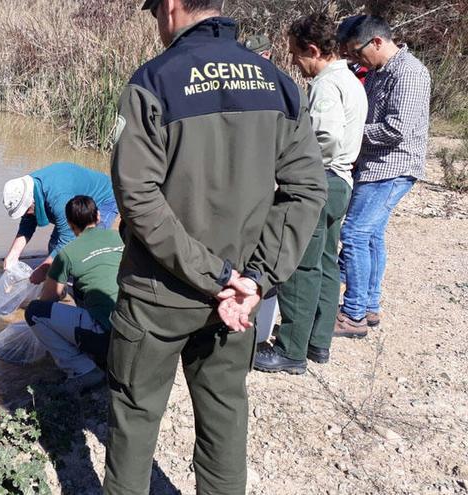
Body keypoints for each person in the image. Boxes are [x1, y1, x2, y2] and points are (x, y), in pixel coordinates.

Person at [105, 0, 327, 493]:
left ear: (172, 6)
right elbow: (308, 188)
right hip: (239, 300)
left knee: (135, 418)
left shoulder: (154, 81)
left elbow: (136, 194)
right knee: (225, 415)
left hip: (157, 296)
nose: (156, 21)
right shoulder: (277, 82)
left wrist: (218, 275)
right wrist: (254, 278)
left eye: (154, 11)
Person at [253, 13, 369, 374]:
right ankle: (318, 342)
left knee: (300, 266)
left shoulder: (325, 85)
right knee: (326, 263)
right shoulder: (351, 80)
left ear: (314, 50)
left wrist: (296, 166)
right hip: (343, 182)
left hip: (320, 180)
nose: (294, 62)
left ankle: (290, 350)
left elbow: (327, 136)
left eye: (295, 54)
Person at [335, 15, 430, 338]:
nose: (354, 59)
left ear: (376, 42)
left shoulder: (410, 73)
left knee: (355, 235)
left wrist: (349, 132)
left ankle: (353, 314)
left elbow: (396, 128)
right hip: (375, 165)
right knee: (371, 236)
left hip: (392, 167)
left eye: (355, 52)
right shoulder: (380, 71)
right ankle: (369, 306)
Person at [24, 195, 123, 393]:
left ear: (70, 224)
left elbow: (48, 300)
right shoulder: (120, 237)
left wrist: (55, 287)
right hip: (136, 327)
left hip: (108, 337)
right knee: (80, 287)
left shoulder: (67, 254)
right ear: (98, 216)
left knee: (34, 312)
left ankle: (84, 371)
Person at [2, 162, 119, 284]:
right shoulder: (29, 189)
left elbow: (67, 240)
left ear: (32, 201)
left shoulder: (58, 199)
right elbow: (28, 222)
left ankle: (89, 282)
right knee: (53, 246)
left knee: (91, 245)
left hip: (104, 199)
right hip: (72, 201)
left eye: (26, 210)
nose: (27, 214)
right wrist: (13, 255)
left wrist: (42, 270)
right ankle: (61, 281)